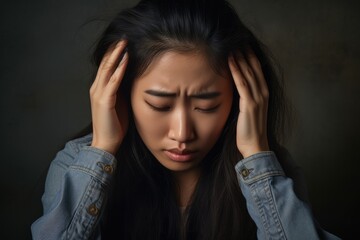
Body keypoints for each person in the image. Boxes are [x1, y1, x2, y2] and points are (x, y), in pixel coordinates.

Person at [31, 0, 341, 239]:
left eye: (206, 107)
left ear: (241, 100)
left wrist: (257, 159)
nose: (182, 133)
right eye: (159, 105)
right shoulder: (76, 164)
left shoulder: (272, 174)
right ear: (119, 95)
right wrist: (103, 150)